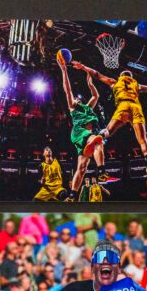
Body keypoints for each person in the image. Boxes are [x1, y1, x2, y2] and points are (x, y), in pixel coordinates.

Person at [72, 61, 147, 189]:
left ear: (121, 76)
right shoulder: (135, 83)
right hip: (135, 107)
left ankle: (100, 137)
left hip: (123, 106)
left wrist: (84, 67)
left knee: (108, 130)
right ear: (131, 77)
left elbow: (97, 74)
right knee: (142, 140)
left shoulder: (115, 82)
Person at [56, 55, 107, 196]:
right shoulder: (73, 107)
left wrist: (90, 81)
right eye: (75, 98)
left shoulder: (88, 107)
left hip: (83, 138)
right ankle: (102, 171)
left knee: (82, 167)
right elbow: (68, 90)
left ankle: (72, 195)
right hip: (80, 132)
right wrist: (64, 70)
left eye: (78, 98)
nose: (76, 99)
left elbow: (95, 96)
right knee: (97, 141)